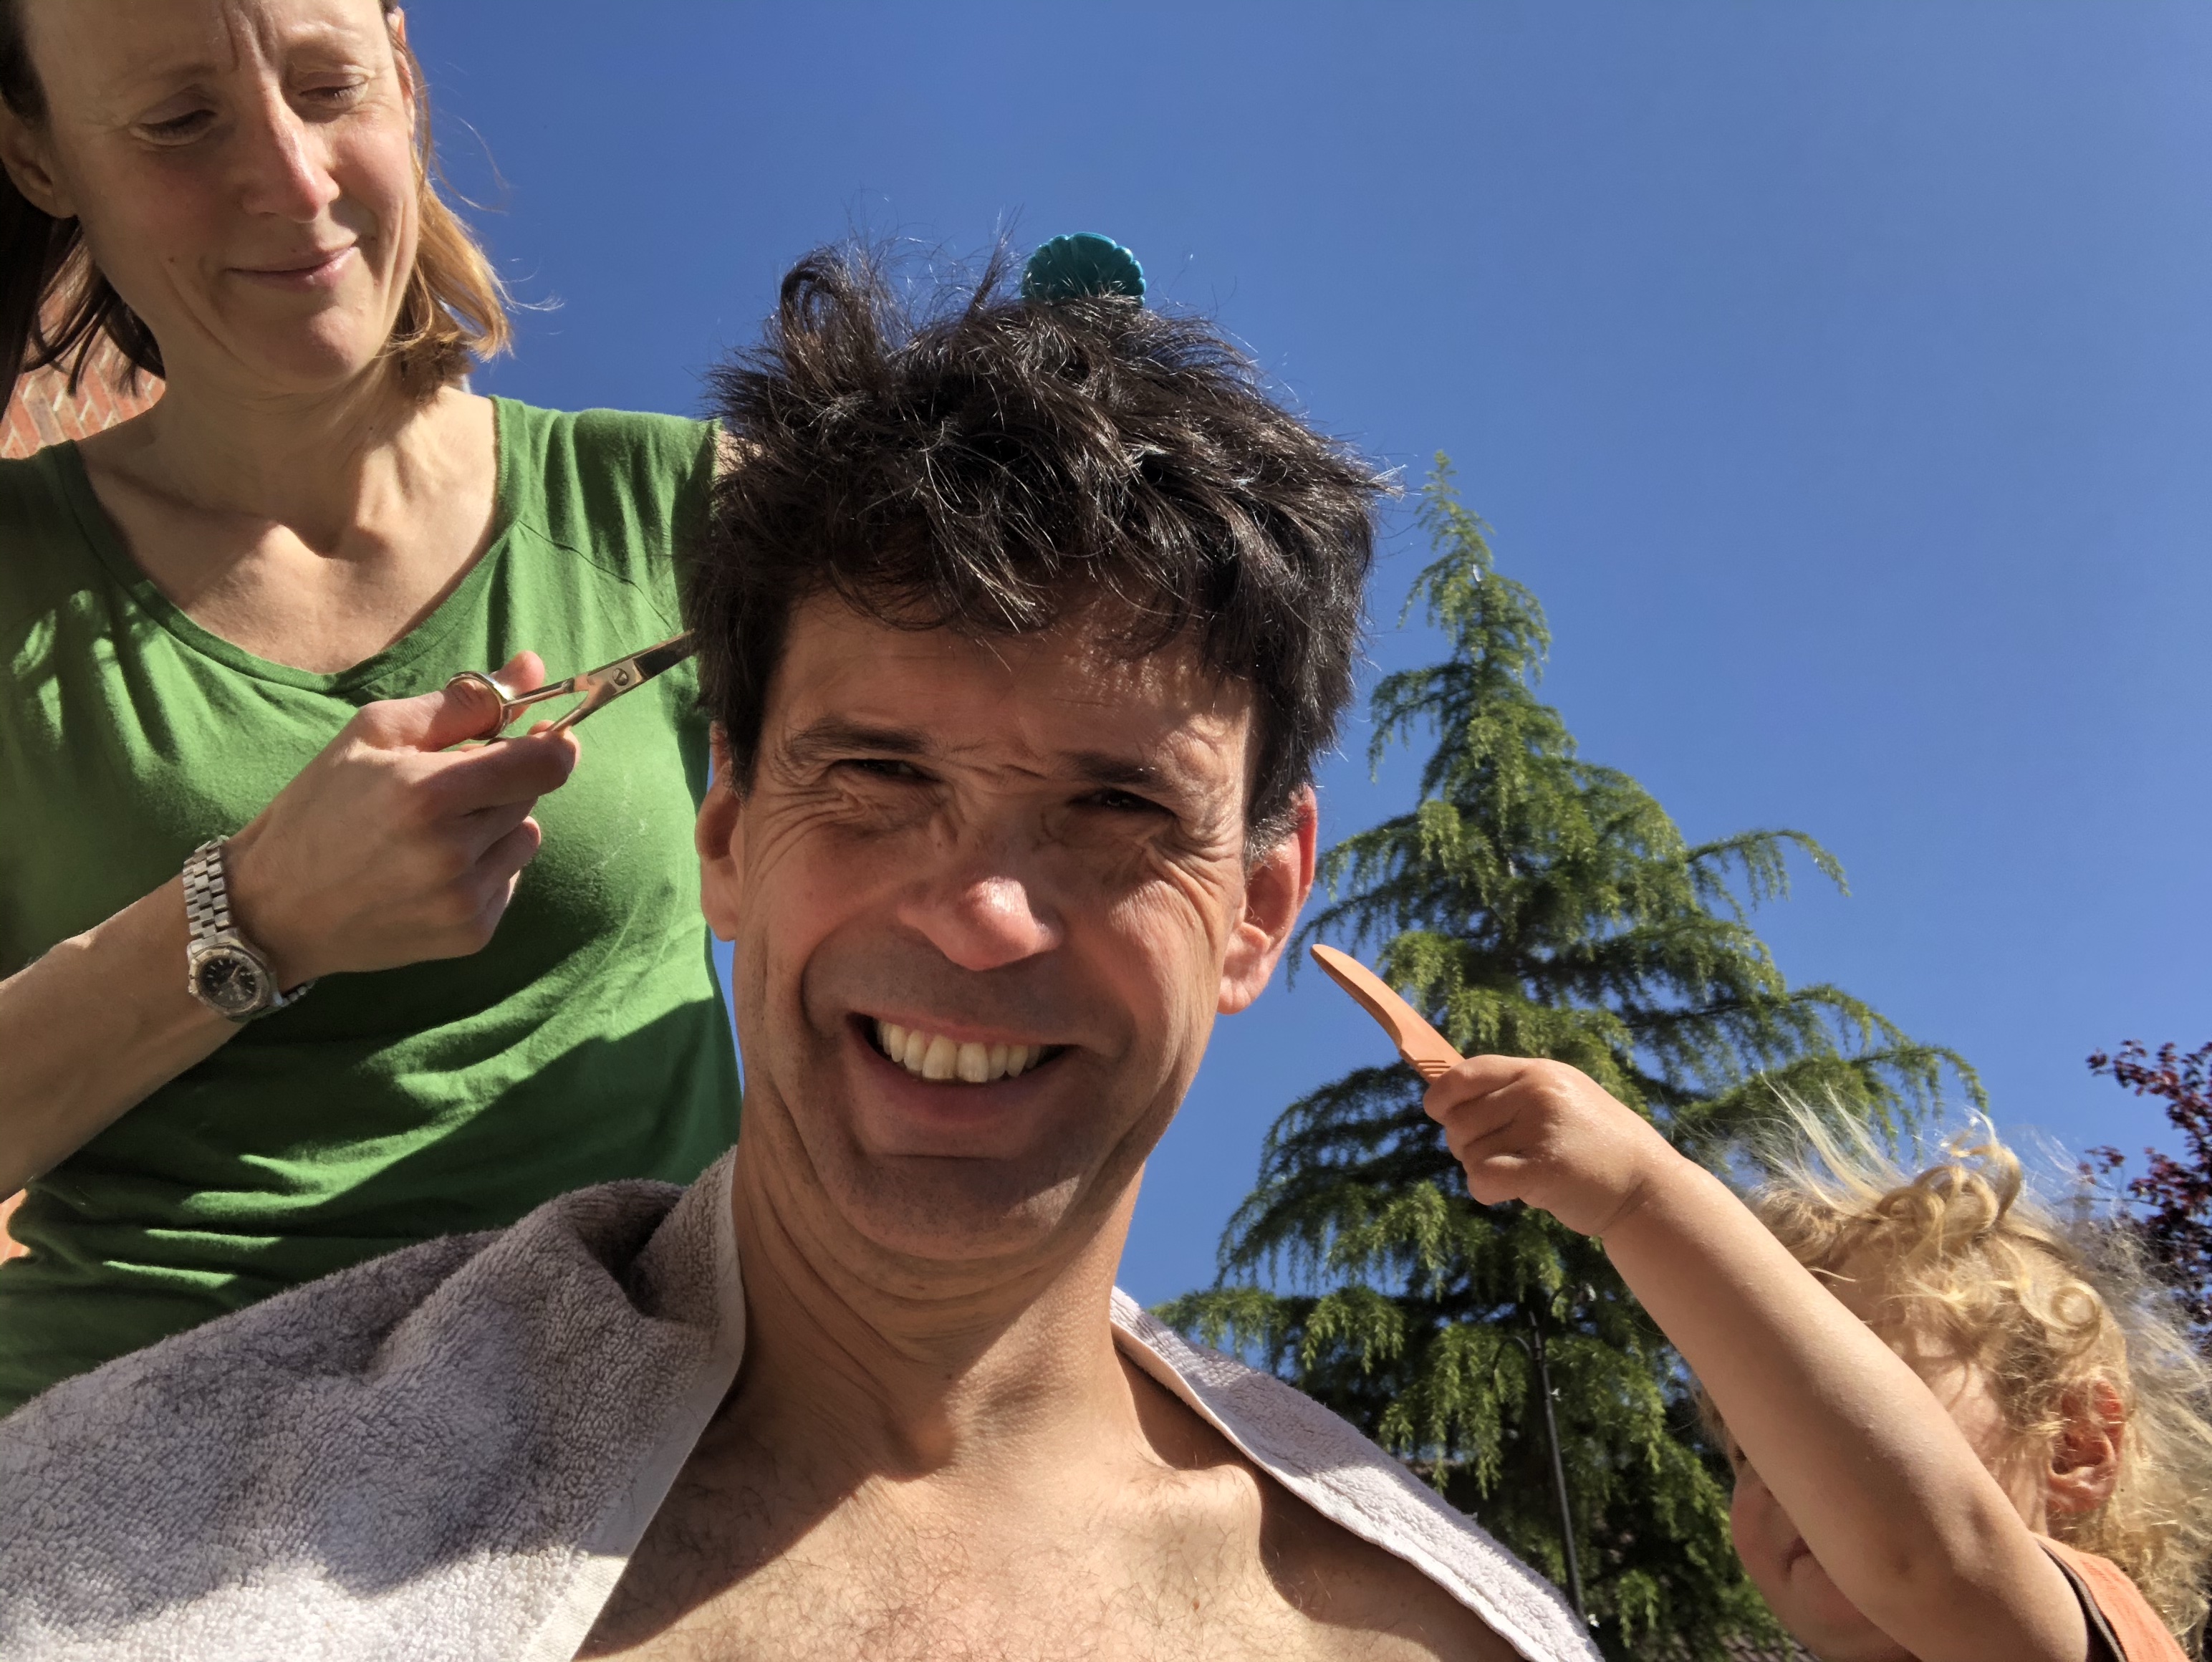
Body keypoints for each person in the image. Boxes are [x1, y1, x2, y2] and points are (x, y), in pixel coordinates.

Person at [0, 243, 1602, 1662]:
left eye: (1116, 807)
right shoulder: (123, 1542)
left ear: (1257, 903)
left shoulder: (1432, 1630)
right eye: (878, 777)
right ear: (721, 835)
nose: (981, 915)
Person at [0, 0, 739, 1412]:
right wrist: (252, 914)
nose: (292, 180)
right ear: (38, 155)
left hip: (634, 1435)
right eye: (178, 122)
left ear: (401, 68)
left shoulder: (683, 509)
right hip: (130, 1461)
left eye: (329, 84)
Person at [1418, 1062, 2212, 1661]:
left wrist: (1639, 1194)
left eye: (1850, 1388)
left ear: (2074, 1442)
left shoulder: (2091, 1638)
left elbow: (1928, 1555)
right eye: (1746, 1449)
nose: (1780, 1468)